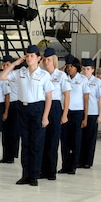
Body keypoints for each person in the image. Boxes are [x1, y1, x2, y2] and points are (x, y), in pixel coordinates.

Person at [0, 45, 53, 186]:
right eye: (27, 56)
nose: (29, 58)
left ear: (38, 59)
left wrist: (45, 116)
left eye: (32, 56)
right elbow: (2, 76)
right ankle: (25, 175)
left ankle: (34, 175)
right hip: (22, 109)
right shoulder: (20, 72)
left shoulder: (44, 75)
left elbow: (49, 97)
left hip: (37, 108)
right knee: (26, 143)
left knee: (36, 143)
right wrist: (16, 63)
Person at [40, 48, 70, 180]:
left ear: (54, 61)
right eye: (45, 60)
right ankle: (42, 169)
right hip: (42, 105)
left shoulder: (61, 75)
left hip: (56, 107)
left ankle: (51, 171)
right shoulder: (40, 74)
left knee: (53, 140)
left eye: (49, 60)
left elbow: (67, 95)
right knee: (42, 140)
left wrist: (64, 114)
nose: (47, 62)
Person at [59, 57, 87, 175]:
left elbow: (86, 99)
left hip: (77, 112)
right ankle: (65, 165)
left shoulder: (83, 79)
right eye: (67, 66)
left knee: (75, 140)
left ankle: (73, 165)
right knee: (64, 139)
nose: (69, 69)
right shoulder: (63, 78)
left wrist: (85, 117)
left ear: (77, 67)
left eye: (71, 66)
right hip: (65, 111)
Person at [79, 58, 101, 169]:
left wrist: (100, 115)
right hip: (80, 112)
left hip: (92, 113)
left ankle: (87, 161)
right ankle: (79, 160)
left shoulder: (97, 82)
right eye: (83, 69)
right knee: (80, 138)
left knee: (90, 138)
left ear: (92, 70)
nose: (85, 71)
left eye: (88, 69)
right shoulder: (79, 80)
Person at [0, 55, 20, 163]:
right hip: (4, 104)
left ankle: (11, 155)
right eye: (4, 65)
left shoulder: (15, 76)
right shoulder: (2, 76)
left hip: (14, 104)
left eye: (8, 64)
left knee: (13, 131)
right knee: (5, 131)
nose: (6, 66)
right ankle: (6, 154)